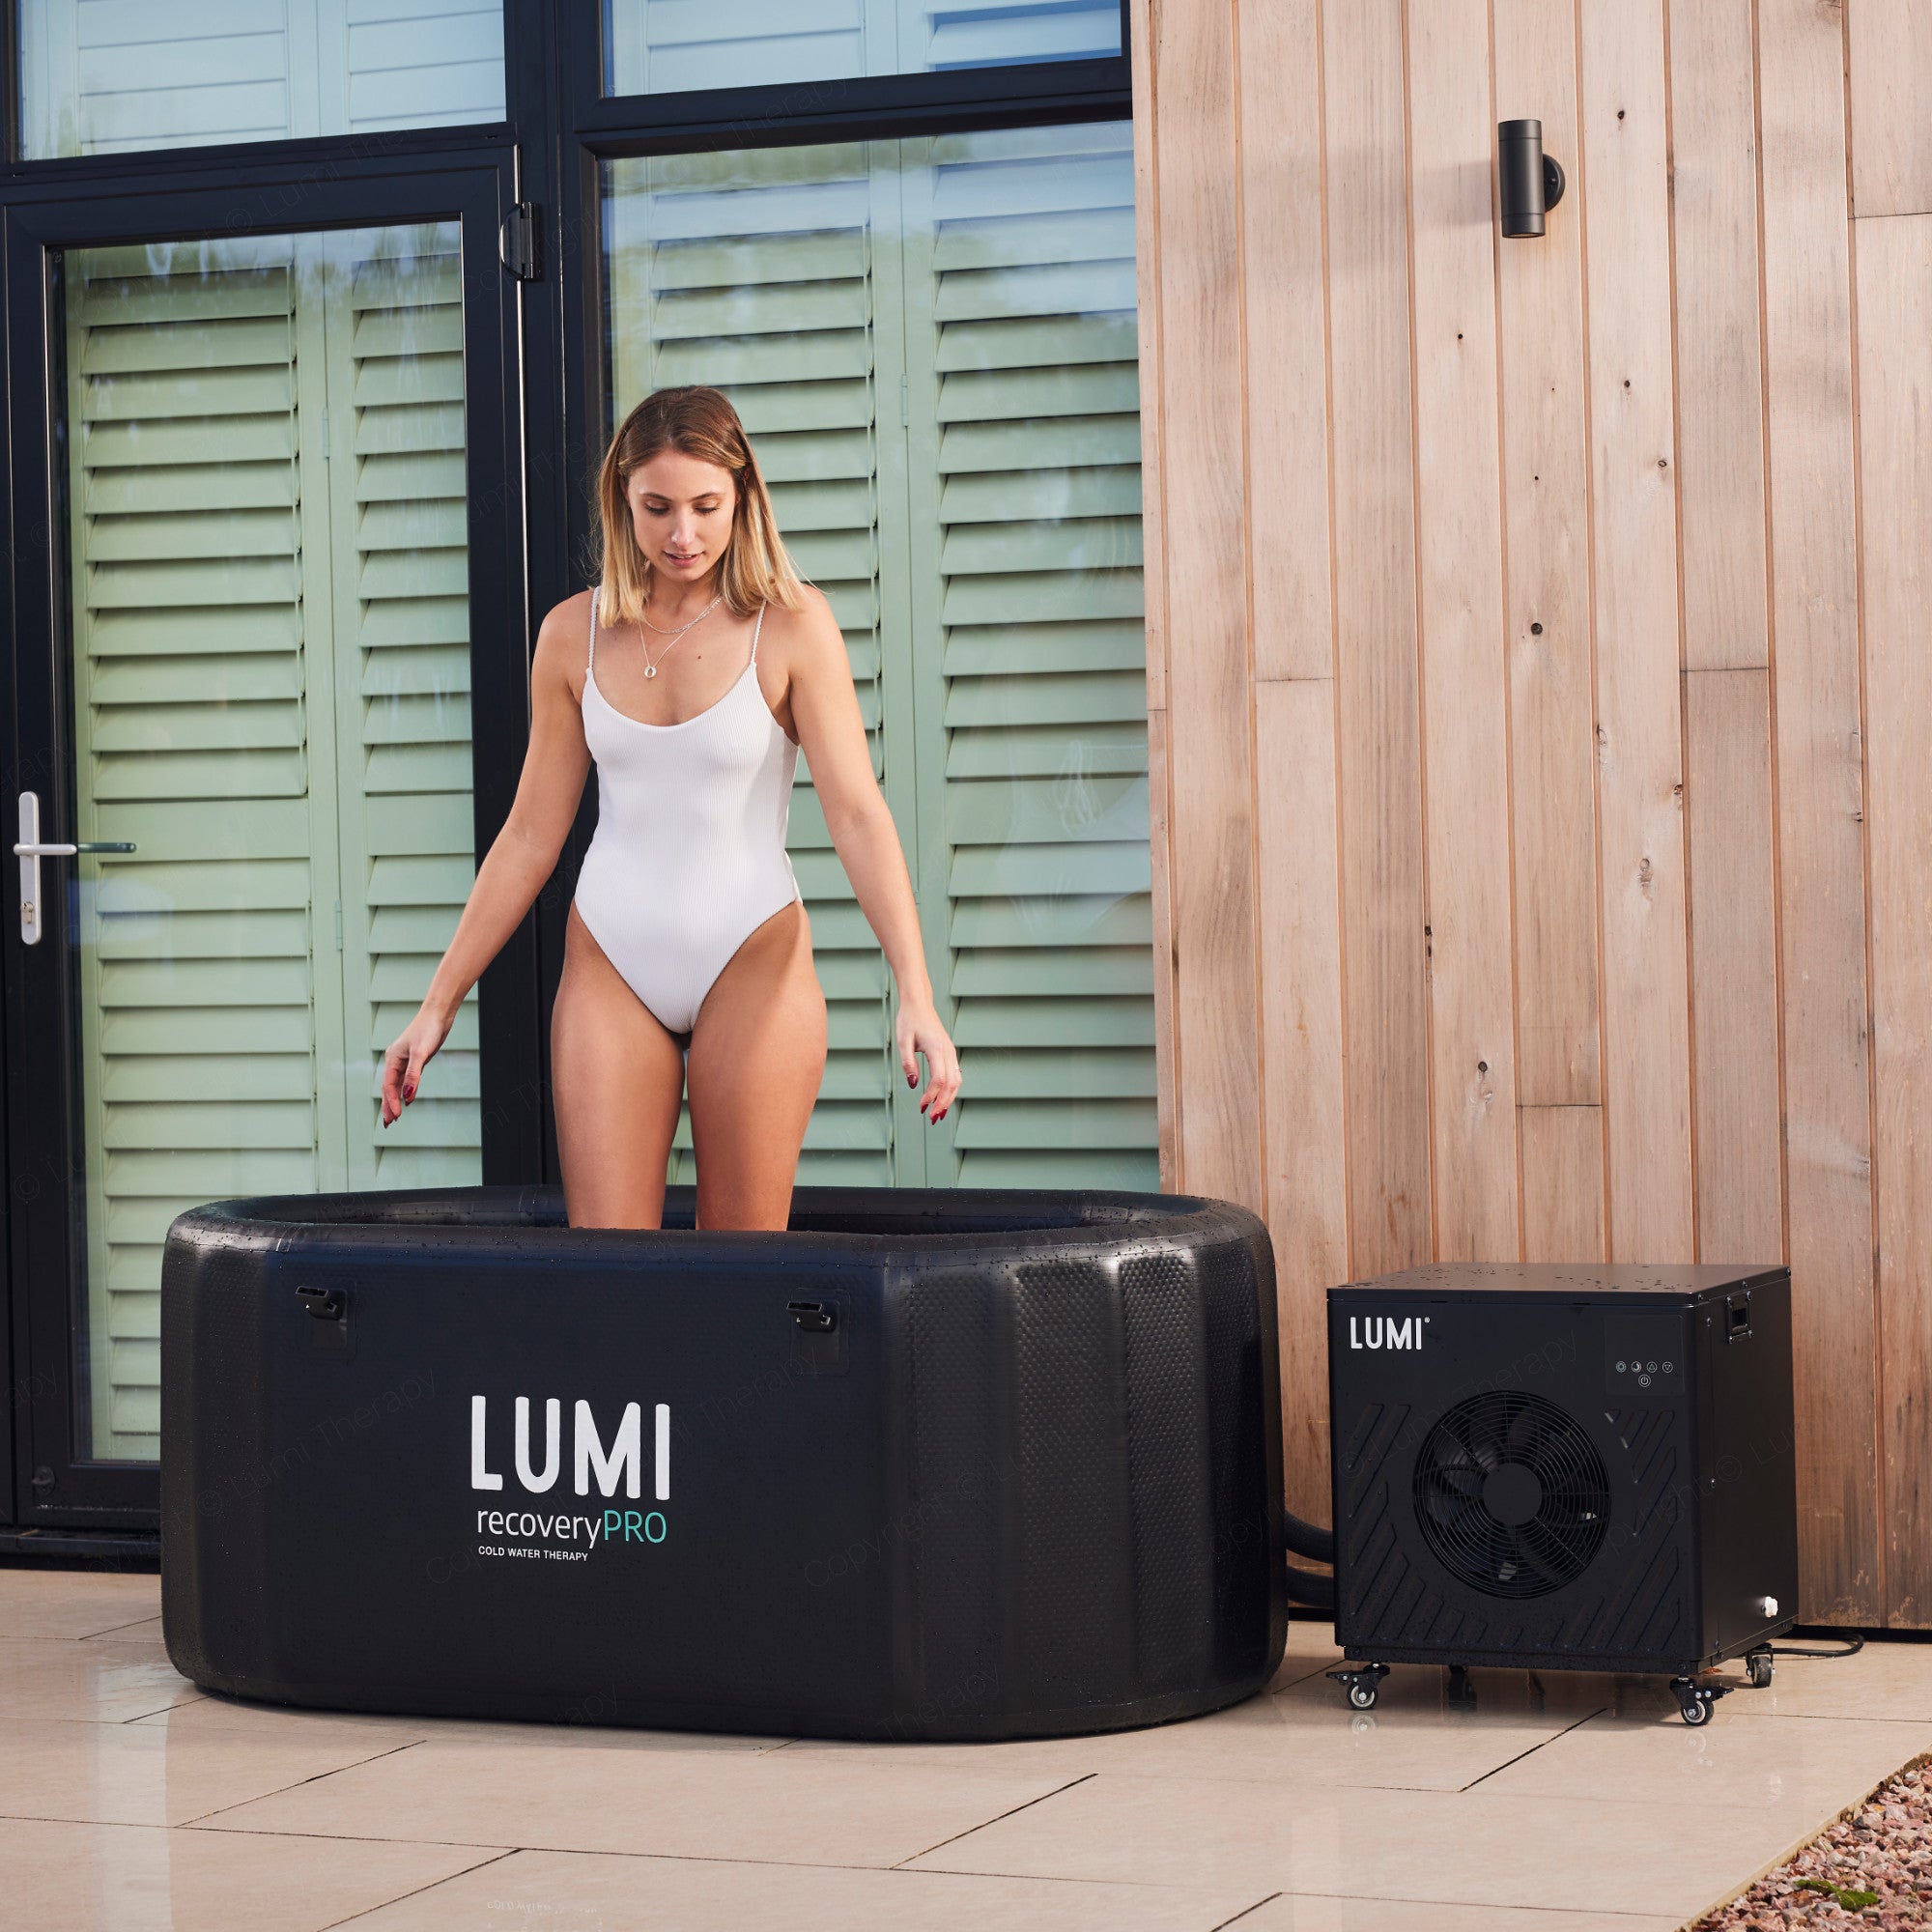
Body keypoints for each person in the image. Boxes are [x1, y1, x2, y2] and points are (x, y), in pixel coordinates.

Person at [378, 385, 961, 1230]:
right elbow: (531, 835)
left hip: (751, 957)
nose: (681, 535)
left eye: (705, 506)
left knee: (739, 1282)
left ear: (743, 499)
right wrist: (437, 1005)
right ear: (623, 497)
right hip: (612, 959)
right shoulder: (571, 635)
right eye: (657, 508)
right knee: (610, 1288)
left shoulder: (792, 626)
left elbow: (858, 814)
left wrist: (916, 991)